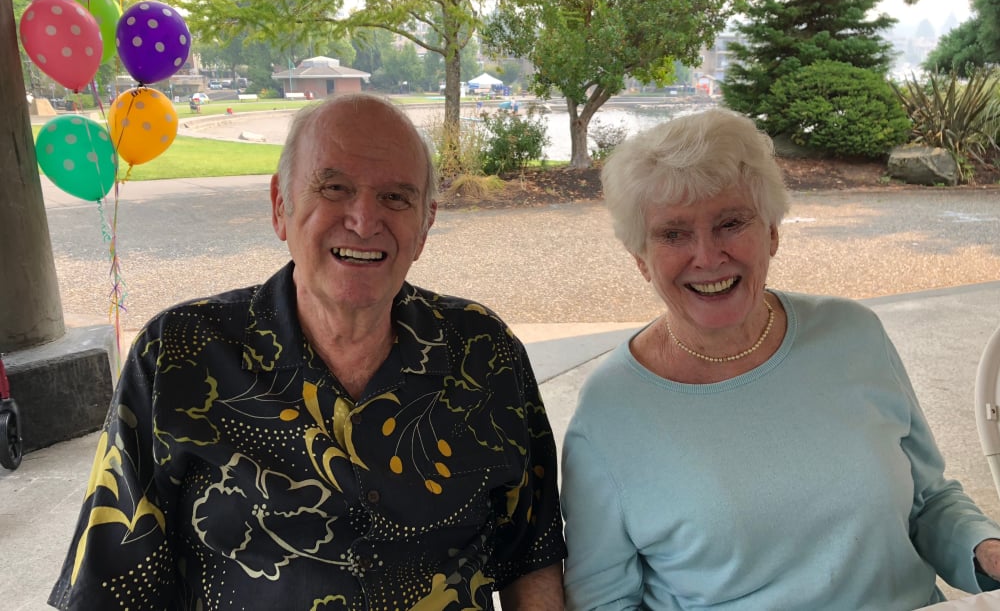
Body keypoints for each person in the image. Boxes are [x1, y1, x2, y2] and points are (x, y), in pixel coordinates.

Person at [49, 93, 566, 610]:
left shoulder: (483, 351)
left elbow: (532, 559)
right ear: (280, 206)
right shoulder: (179, 354)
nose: (364, 220)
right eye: (334, 187)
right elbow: (111, 585)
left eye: (396, 197)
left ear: (425, 225)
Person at [560, 107, 1000, 610]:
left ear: (771, 232)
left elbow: (928, 501)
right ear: (641, 259)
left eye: (730, 223)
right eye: (673, 234)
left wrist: (985, 548)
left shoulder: (853, 335)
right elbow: (601, 602)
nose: (706, 256)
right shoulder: (611, 411)